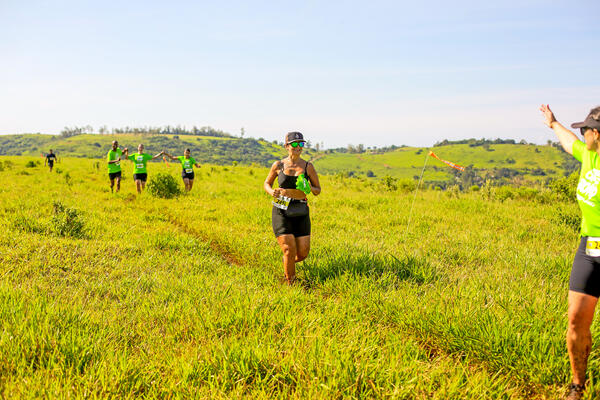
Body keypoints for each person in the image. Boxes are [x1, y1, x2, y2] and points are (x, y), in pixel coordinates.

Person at [540, 104, 600, 400]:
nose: (581, 134)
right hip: (589, 247)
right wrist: (553, 123)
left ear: (596, 133)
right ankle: (578, 385)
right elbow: (568, 142)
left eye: (584, 130)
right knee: (576, 318)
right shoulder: (588, 154)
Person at [264, 132, 321, 284]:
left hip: (301, 208)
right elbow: (266, 184)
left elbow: (318, 190)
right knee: (289, 249)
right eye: (294, 144)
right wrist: (272, 192)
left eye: (301, 144)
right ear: (286, 146)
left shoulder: (308, 166)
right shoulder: (278, 165)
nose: (298, 147)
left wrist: (309, 188)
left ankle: (287, 263)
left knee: (302, 253)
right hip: (281, 207)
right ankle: (291, 282)